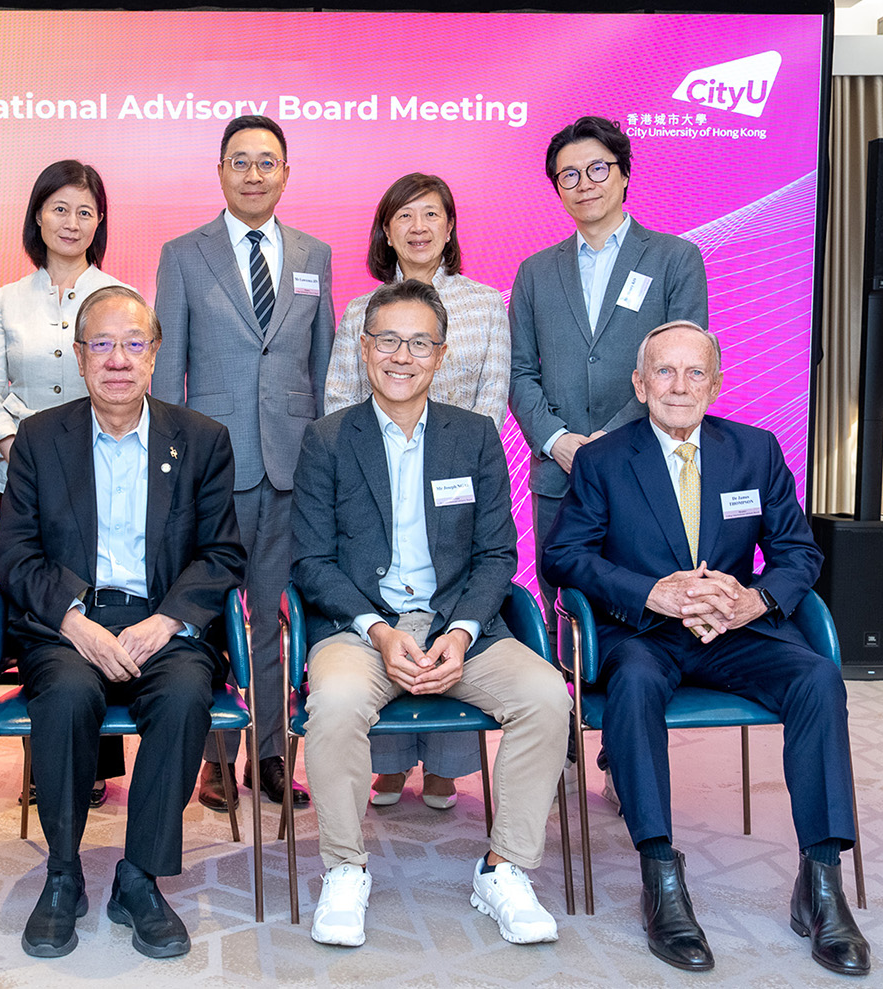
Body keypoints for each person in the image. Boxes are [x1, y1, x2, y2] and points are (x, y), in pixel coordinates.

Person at [542, 321, 869, 976]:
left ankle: (822, 881)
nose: (680, 385)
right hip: (643, 633)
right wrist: (650, 592)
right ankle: (661, 877)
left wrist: (756, 599)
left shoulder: (756, 450)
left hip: (734, 630)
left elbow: (798, 553)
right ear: (639, 383)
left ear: (717, 383)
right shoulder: (604, 460)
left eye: (696, 372)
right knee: (633, 685)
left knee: (816, 678)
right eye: (664, 371)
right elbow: (563, 555)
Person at [292, 279, 570, 948]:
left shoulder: (474, 437)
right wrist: (380, 631)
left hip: (460, 629)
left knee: (546, 696)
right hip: (362, 628)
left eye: (419, 342)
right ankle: (346, 868)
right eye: (388, 339)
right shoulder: (328, 440)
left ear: (441, 354)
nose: (402, 355)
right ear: (364, 348)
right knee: (333, 704)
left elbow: (496, 554)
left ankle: (503, 868)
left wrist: (460, 630)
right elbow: (311, 561)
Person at [0, 286, 246, 960]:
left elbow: (222, 554)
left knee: (187, 692)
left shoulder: (201, 441)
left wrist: (167, 621)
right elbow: (13, 555)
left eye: (134, 343)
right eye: (101, 344)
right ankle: (63, 873)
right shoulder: (42, 440)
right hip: (71, 622)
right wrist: (75, 621)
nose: (117, 359)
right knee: (70, 693)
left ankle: (139, 876)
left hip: (163, 621)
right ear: (78, 356)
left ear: (155, 354)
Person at [153, 114, 334, 811]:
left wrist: (320, 466)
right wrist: (170, 472)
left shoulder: (314, 252)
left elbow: (318, 370)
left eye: (267, 162)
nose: (254, 174)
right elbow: (169, 372)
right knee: (202, 615)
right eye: (241, 161)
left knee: (270, 618)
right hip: (210, 471)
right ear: (220, 170)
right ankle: (214, 759)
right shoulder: (184, 254)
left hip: (289, 472)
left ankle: (269, 752)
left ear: (285, 173)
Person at [325, 172, 511, 811]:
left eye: (432, 215)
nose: (419, 227)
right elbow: (340, 406)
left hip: (458, 483)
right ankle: (387, 763)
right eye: (404, 216)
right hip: (379, 484)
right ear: (386, 230)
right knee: (388, 607)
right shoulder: (361, 311)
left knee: (448, 600)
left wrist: (457, 454)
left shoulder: (486, 303)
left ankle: (442, 767)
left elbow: (491, 398)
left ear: (451, 226)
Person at [507, 115, 708, 631]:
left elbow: (683, 367)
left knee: (648, 607)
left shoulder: (675, 259)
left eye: (598, 168)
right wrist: (558, 440)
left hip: (646, 462)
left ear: (623, 175)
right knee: (565, 610)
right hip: (561, 470)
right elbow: (519, 372)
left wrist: (608, 441)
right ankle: (568, 711)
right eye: (568, 175)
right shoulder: (534, 271)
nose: (584, 183)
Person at [0, 160, 131, 808]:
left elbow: (127, 382)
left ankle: (94, 757)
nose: (72, 222)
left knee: (99, 602)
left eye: (85, 211)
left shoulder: (118, 292)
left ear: (99, 222)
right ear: (38, 215)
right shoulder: (6, 297)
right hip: (22, 473)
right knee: (41, 610)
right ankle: (45, 757)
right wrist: (24, 452)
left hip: (105, 472)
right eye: (60, 208)